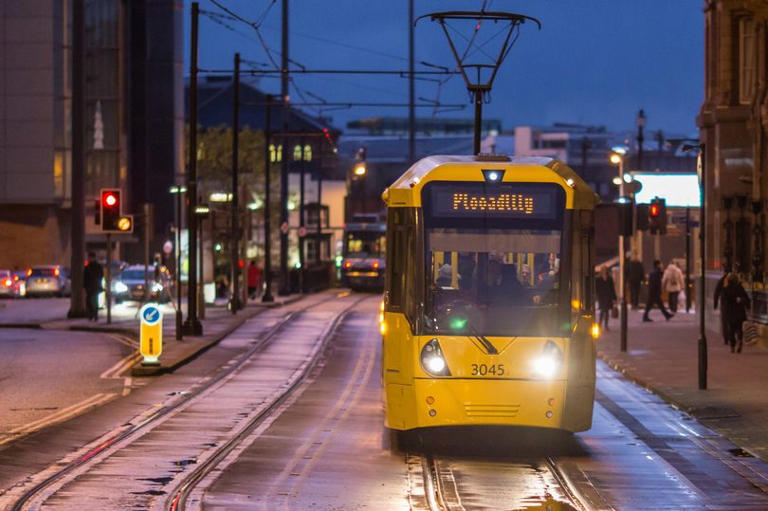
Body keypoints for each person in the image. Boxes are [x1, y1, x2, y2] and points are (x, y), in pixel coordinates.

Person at [720, 272, 750, 353]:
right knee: (739, 328)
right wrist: (742, 301)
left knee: (731, 330)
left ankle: (732, 346)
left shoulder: (725, 289)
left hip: (730, 313)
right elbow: (746, 298)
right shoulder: (739, 287)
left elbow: (724, 301)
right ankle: (740, 340)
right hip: (739, 312)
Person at [83, 251, 103, 322]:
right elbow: (85, 277)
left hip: (95, 286)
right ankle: (91, 314)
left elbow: (100, 276)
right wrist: (84, 285)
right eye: (89, 258)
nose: (90, 259)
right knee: (89, 301)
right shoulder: (87, 266)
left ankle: (95, 314)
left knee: (94, 301)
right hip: (90, 286)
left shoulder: (97, 266)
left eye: (91, 257)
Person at [595, 266, 616, 330]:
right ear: (601, 271)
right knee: (602, 310)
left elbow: (612, 288)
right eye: (603, 270)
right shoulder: (598, 279)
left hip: (608, 296)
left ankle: (606, 325)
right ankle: (600, 324)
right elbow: (596, 288)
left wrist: (614, 297)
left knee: (606, 311)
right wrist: (597, 295)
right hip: (601, 297)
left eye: (605, 270)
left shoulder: (609, 278)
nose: (604, 271)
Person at [713, 269, 730, 345]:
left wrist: (715, 304)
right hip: (731, 305)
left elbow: (716, 292)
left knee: (725, 321)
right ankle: (729, 337)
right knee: (730, 321)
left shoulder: (722, 280)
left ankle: (727, 338)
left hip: (725, 304)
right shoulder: (735, 279)